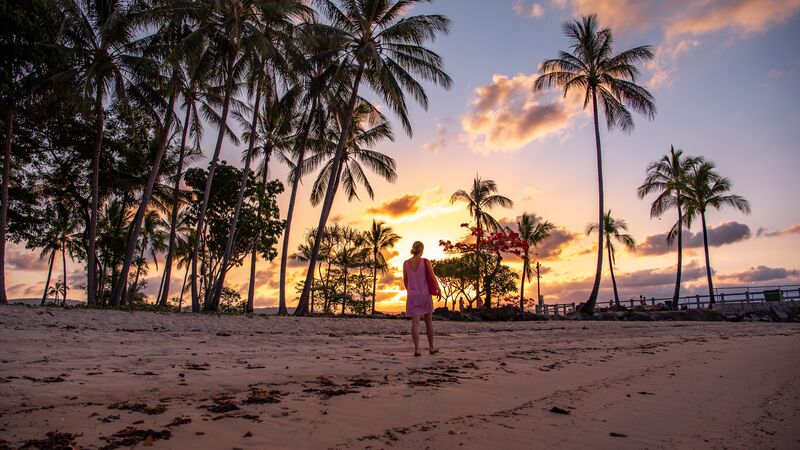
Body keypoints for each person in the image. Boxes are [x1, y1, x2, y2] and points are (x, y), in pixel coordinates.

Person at [402, 241, 441, 356]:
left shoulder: (405, 263)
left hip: (412, 296)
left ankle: (417, 350)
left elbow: (405, 281)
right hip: (424, 295)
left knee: (415, 323)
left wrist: (410, 291)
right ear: (422, 249)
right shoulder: (425, 261)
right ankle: (431, 348)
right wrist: (438, 289)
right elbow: (433, 277)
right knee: (429, 322)